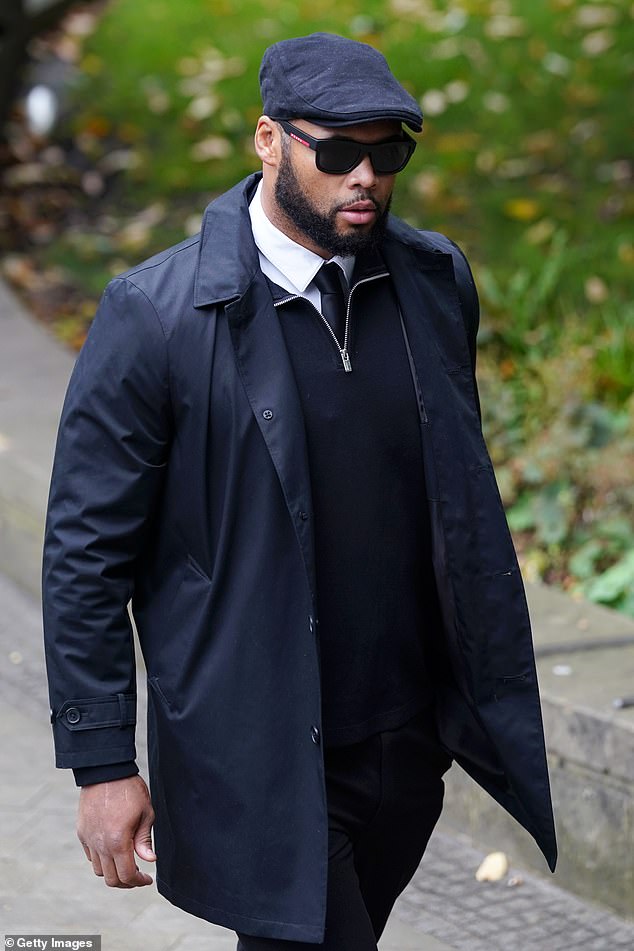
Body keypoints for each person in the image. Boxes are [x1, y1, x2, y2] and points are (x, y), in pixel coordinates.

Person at [42, 32, 556, 950]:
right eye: (339, 152)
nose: (365, 177)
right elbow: (86, 552)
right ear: (269, 141)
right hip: (260, 754)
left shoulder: (436, 282)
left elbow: (451, 495)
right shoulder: (154, 316)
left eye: (387, 152)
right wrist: (101, 759)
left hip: (405, 745)